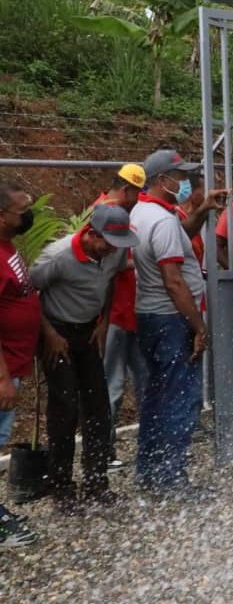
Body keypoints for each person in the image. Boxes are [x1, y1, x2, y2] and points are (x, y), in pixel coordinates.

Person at [30, 204, 139, 512]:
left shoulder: (113, 251)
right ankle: (62, 488)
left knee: (99, 407)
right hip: (57, 333)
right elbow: (28, 294)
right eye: (108, 243)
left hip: (89, 331)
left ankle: (96, 483)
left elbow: (113, 281)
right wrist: (49, 334)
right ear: (91, 235)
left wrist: (103, 322)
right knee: (64, 409)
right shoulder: (58, 257)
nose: (113, 250)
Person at [129, 149, 209, 495]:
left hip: (151, 316)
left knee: (156, 396)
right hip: (172, 318)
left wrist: (203, 211)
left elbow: (179, 234)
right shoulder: (161, 220)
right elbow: (173, 280)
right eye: (179, 177)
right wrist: (198, 326)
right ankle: (171, 478)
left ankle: (149, 472)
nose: (185, 182)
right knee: (181, 398)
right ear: (163, 181)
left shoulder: (144, 212)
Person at [94, 163, 147, 468]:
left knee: (140, 380)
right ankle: (103, 453)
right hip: (112, 315)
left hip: (128, 311)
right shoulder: (104, 214)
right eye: (136, 194)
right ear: (127, 189)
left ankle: (132, 445)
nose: (137, 199)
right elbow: (102, 268)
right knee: (111, 385)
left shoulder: (111, 211)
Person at [0, 180, 40, 548]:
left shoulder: (8, 247)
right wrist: (3, 379)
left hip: (16, 363)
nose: (28, 214)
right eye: (21, 209)